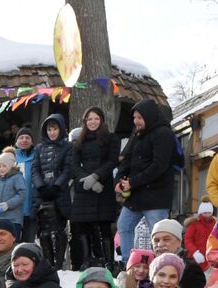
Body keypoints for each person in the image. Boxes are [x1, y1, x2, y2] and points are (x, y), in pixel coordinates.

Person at [115, 100, 177, 265]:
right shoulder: (137, 134)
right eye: (134, 117)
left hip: (157, 195)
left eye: (140, 117)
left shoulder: (164, 134)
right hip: (135, 195)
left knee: (159, 235)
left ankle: (161, 264)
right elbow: (126, 159)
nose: (136, 121)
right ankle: (129, 264)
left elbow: (159, 166)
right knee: (124, 226)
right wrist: (119, 180)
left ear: (149, 116)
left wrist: (132, 182)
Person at [69, 108, 119, 271]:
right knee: (83, 225)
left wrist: (96, 177)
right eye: (89, 119)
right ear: (85, 122)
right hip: (84, 187)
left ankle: (109, 261)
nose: (92, 122)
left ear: (102, 120)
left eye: (96, 118)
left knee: (104, 226)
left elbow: (112, 161)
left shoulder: (111, 138)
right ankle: (86, 260)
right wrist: (87, 179)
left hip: (102, 186)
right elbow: (74, 165)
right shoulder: (79, 141)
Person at [32, 115, 73, 269]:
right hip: (42, 194)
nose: (52, 132)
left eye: (55, 129)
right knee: (43, 232)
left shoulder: (68, 147)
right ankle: (48, 262)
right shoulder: (38, 148)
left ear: (61, 129)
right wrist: (41, 187)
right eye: (49, 129)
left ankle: (59, 263)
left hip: (59, 193)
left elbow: (68, 169)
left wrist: (56, 186)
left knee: (59, 231)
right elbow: (35, 170)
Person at [0, 151, 29, 231]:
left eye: (4, 166)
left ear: (11, 166)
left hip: (13, 220)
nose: (1, 168)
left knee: (12, 242)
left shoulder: (17, 177)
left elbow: (23, 194)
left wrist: (8, 204)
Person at [13, 126, 39, 242]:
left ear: (32, 141)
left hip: (32, 207)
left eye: (27, 137)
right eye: (21, 138)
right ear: (16, 141)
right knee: (14, 243)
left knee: (28, 243)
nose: (24, 140)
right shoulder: (10, 157)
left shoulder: (37, 156)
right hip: (14, 210)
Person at [184, 201, 216, 271]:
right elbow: (188, 240)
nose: (207, 215)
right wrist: (195, 252)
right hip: (196, 258)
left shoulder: (216, 224)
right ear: (200, 213)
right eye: (205, 213)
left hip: (212, 257)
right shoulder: (193, 224)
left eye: (209, 213)